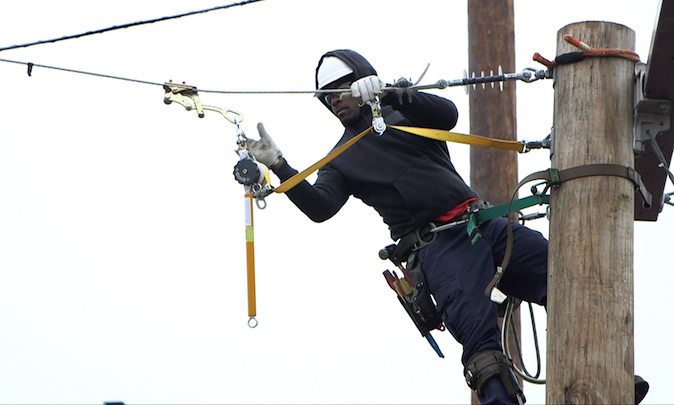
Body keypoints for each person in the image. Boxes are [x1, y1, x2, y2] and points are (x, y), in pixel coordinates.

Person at [245, 49, 644, 404]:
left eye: (340, 89)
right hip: (437, 248)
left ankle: (612, 380)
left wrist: (390, 92)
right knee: (480, 341)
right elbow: (320, 207)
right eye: (326, 96)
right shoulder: (341, 158)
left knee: (566, 280)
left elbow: (447, 115)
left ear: (361, 80)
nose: (334, 100)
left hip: (482, 223)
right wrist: (280, 166)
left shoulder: (405, 112)